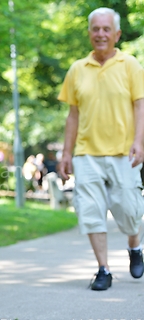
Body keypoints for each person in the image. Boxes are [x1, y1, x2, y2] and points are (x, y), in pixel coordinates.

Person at [58, 7, 144, 291]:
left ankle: (135, 246)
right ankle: (103, 269)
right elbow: (73, 115)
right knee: (91, 211)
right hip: (87, 154)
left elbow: (140, 105)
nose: (101, 34)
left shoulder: (130, 65)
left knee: (130, 212)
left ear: (117, 34)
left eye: (106, 29)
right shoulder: (77, 69)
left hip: (123, 153)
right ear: (89, 34)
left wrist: (139, 141)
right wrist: (66, 153)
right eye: (96, 29)